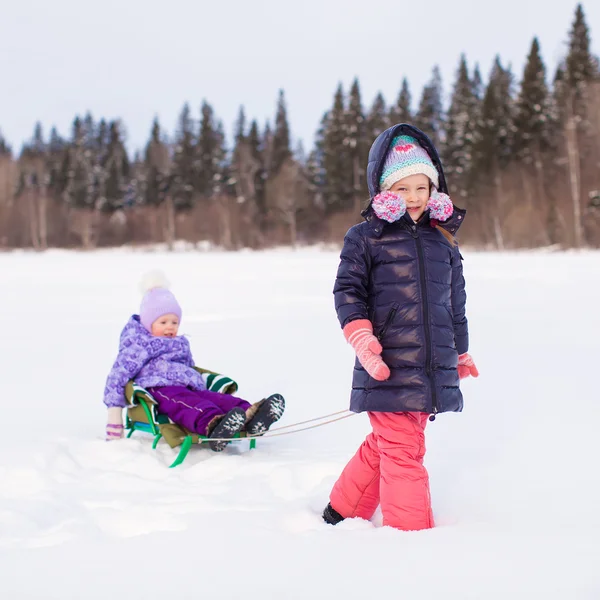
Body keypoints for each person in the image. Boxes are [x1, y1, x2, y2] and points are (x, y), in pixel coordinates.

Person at [322, 124, 479, 531]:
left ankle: (342, 508)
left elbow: (454, 304)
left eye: (421, 188)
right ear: (384, 191)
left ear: (434, 189)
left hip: (430, 364)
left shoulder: (443, 240)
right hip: (387, 360)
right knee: (404, 450)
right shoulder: (366, 237)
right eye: (403, 189)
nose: (413, 198)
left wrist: (458, 351)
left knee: (389, 444)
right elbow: (348, 289)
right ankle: (410, 538)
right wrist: (362, 338)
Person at [104, 272, 285, 451]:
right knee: (190, 405)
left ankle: (250, 416)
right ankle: (212, 425)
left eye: (174, 322)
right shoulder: (139, 346)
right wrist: (114, 413)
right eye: (163, 322)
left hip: (188, 385)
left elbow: (189, 366)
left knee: (217, 398)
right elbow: (117, 375)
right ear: (148, 323)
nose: (170, 327)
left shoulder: (181, 343)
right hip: (160, 389)